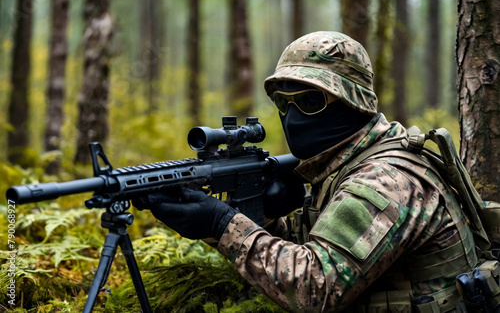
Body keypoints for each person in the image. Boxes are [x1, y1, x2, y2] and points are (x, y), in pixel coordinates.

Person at [138, 31, 477, 312]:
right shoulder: (350, 161)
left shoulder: (384, 179)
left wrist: (222, 224)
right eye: (284, 104)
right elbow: (325, 252)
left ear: (353, 102)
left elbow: (316, 287)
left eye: (311, 101)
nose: (293, 117)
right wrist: (267, 221)